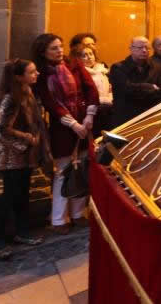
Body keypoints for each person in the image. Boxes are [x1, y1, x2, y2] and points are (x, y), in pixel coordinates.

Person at [32, 34, 99, 234]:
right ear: (43, 52)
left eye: (60, 46)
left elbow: (91, 90)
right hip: (62, 128)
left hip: (85, 123)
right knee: (63, 171)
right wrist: (73, 124)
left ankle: (78, 214)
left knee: (82, 169)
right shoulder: (42, 74)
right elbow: (50, 103)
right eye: (54, 48)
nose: (59, 51)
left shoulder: (75, 64)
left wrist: (89, 117)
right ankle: (59, 219)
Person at [0, 59, 47, 258]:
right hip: (12, 156)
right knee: (8, 197)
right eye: (32, 72)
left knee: (22, 194)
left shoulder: (27, 93)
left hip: (25, 155)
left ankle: (22, 232)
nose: (36, 74)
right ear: (18, 77)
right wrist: (26, 140)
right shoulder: (10, 98)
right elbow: (0, 130)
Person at [109, 37, 161, 127]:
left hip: (150, 116)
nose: (144, 50)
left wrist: (137, 88)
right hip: (126, 117)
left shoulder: (157, 67)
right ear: (131, 49)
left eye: (147, 48)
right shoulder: (118, 67)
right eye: (140, 48)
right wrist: (150, 87)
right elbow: (125, 90)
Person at [77, 44, 113, 137]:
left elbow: (109, 88)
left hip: (106, 108)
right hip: (91, 112)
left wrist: (110, 98)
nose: (89, 57)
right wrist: (104, 100)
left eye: (91, 54)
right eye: (84, 55)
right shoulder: (80, 73)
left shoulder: (101, 70)